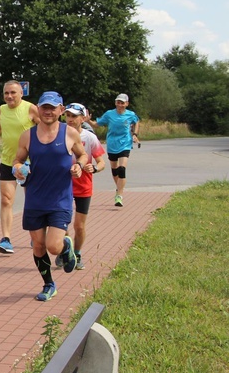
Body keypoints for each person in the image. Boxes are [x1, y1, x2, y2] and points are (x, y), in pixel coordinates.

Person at [12, 91, 88, 302]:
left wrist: (79, 166)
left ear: (61, 110)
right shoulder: (28, 135)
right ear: (38, 108)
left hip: (59, 199)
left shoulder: (70, 133)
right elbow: (17, 160)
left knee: (53, 246)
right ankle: (48, 284)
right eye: (44, 107)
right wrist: (18, 169)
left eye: (52, 108)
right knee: (38, 245)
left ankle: (66, 247)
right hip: (35, 199)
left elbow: (82, 154)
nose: (48, 111)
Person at [0, 81, 38, 254]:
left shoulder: (30, 109)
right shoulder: (2, 110)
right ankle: (6, 239)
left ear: (21, 94)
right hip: (8, 161)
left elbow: (45, 129)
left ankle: (35, 235)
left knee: (32, 200)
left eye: (13, 93)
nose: (9, 96)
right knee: (6, 200)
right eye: (6, 93)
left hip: (29, 162)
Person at [56, 103, 106, 270]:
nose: (70, 119)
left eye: (74, 116)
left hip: (84, 187)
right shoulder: (58, 135)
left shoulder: (89, 137)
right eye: (68, 115)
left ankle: (77, 253)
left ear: (83, 118)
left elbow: (101, 162)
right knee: (61, 224)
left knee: (79, 225)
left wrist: (95, 168)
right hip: (63, 186)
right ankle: (65, 251)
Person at [87, 93, 140, 207]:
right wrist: (88, 121)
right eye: (118, 102)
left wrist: (135, 134)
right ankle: (119, 188)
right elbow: (97, 124)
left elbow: (136, 122)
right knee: (115, 170)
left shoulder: (130, 114)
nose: (120, 105)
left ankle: (119, 195)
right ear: (115, 103)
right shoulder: (109, 114)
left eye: (122, 103)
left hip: (125, 143)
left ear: (127, 104)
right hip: (112, 144)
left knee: (122, 169)